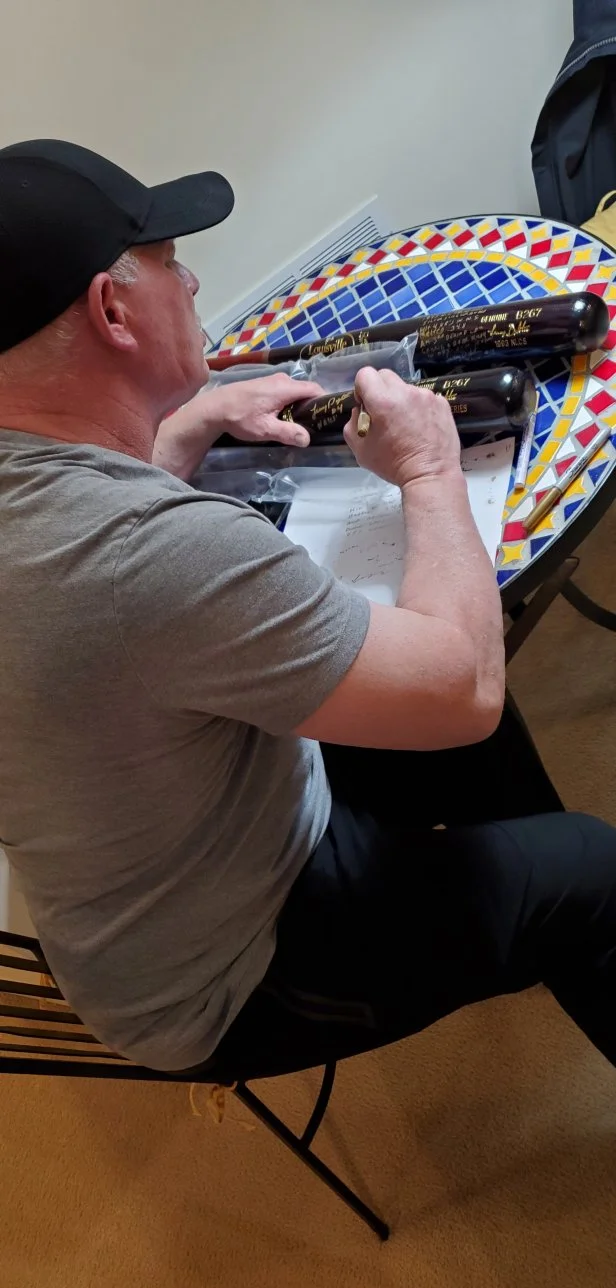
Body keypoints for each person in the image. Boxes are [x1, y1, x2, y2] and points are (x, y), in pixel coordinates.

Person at [0, 138, 614, 1083]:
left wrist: (187, 425)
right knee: (588, 861)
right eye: (170, 262)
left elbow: (92, 595)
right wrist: (429, 468)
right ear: (112, 312)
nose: (191, 281)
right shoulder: (147, 553)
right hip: (233, 970)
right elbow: (464, 687)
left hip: (183, 841)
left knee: (471, 749)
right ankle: (557, 908)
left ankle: (521, 904)